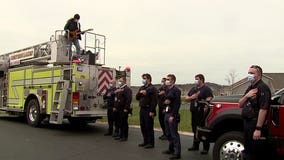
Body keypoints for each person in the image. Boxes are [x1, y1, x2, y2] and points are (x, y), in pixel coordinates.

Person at [239, 65, 271, 160]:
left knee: (255, 152)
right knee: (247, 151)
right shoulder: (250, 88)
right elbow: (240, 104)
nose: (249, 75)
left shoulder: (263, 88)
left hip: (255, 123)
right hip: (247, 123)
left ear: (259, 75)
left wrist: (258, 128)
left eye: (252, 73)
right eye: (249, 73)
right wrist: (247, 96)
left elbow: (263, 109)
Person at [185, 74, 213, 155]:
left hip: (202, 112)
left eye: (197, 79)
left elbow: (210, 98)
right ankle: (195, 145)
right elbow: (187, 98)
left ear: (201, 80)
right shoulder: (193, 89)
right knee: (195, 128)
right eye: (195, 79)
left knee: (203, 129)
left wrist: (205, 103)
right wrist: (192, 97)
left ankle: (205, 148)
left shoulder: (206, 89)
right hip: (194, 111)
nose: (195, 80)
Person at [162, 74, 181, 160]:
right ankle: (171, 148)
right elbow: (165, 100)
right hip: (167, 112)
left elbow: (177, 104)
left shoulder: (176, 90)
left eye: (168, 79)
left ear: (172, 80)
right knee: (168, 133)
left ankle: (177, 153)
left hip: (172, 114)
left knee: (174, 134)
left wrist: (173, 115)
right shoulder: (167, 89)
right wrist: (165, 104)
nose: (166, 81)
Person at [136, 73, 157, 149]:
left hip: (149, 109)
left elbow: (154, 101)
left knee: (149, 126)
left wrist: (152, 111)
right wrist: (140, 92)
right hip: (142, 109)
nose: (143, 80)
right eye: (143, 78)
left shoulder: (152, 88)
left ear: (148, 79)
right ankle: (145, 141)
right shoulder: (142, 87)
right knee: (143, 126)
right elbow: (137, 97)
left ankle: (151, 143)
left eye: (144, 78)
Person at [114, 77, 132, 141]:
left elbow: (128, 99)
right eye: (119, 81)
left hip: (124, 109)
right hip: (119, 109)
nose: (119, 82)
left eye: (120, 81)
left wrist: (126, 108)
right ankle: (121, 135)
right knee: (120, 123)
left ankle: (125, 136)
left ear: (124, 81)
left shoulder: (127, 89)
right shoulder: (120, 89)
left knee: (124, 123)